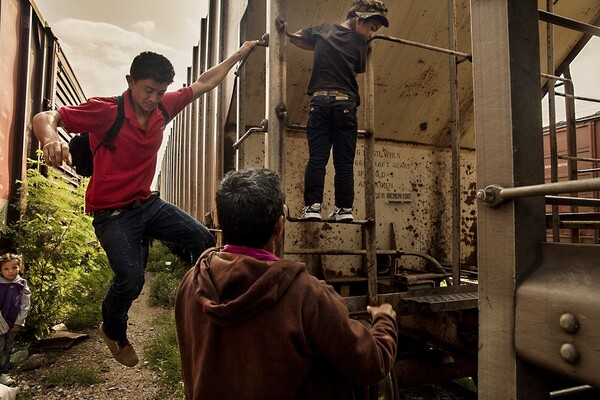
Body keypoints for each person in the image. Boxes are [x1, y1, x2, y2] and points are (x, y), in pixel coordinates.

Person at [32, 40, 259, 367]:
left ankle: (204, 309)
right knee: (131, 279)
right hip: (111, 214)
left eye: (160, 91)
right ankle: (113, 329)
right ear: (130, 82)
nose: (154, 100)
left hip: (147, 205)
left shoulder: (164, 107)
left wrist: (238, 54)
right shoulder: (105, 111)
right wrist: (51, 138)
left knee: (203, 240)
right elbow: (46, 116)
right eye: (148, 90)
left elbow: (205, 82)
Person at [175, 168, 398, 400]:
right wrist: (385, 320)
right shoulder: (306, 295)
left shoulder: (191, 283)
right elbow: (373, 364)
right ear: (279, 225)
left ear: (221, 222)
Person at [288, 0, 389, 222]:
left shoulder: (323, 30)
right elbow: (359, 67)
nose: (370, 35)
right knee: (344, 162)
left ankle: (312, 207)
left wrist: (317, 42)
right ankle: (344, 209)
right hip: (346, 104)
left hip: (319, 102)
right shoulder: (360, 45)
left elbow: (294, 37)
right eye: (371, 29)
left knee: (317, 158)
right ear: (359, 19)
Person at [0, 253, 31, 386]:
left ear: (20, 267)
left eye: (14, 267)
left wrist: (19, 322)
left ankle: (4, 372)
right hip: (0, 323)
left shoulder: (21, 283)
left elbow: (25, 304)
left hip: (13, 323)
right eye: (6, 269)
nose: (11, 271)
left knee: (8, 348)